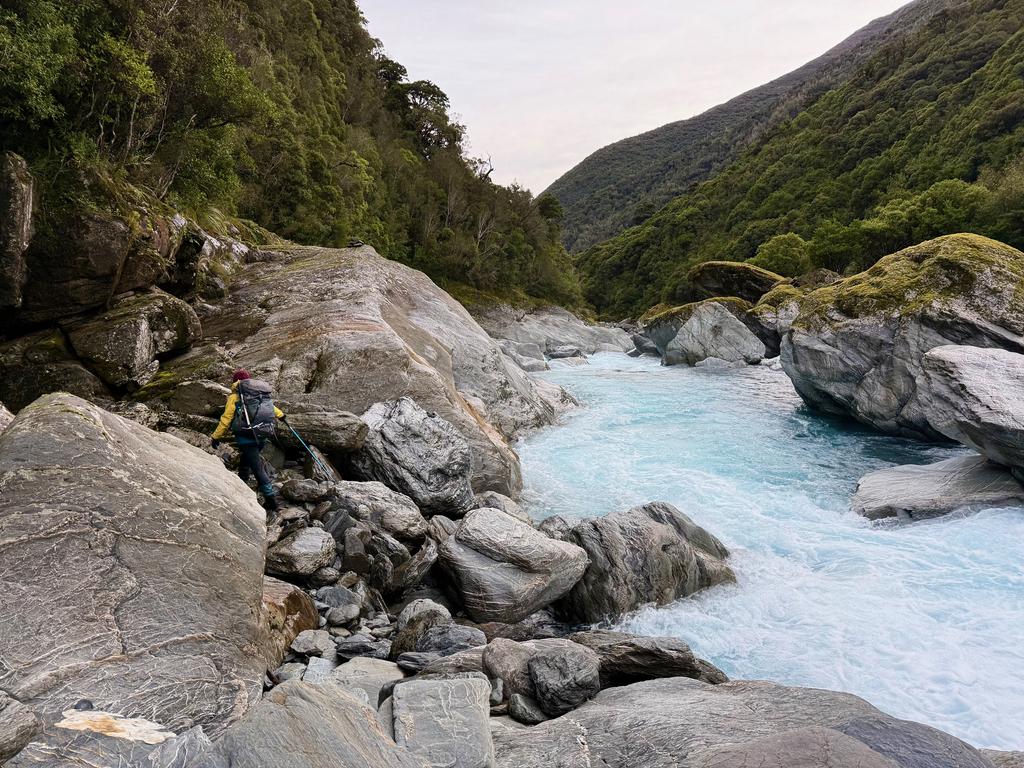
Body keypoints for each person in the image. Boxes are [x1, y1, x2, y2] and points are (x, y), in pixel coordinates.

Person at [211, 369, 286, 512]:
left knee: (257, 468)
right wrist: (282, 415)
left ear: (235, 381)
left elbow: (226, 419)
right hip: (262, 433)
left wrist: (216, 436)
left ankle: (273, 502)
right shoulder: (258, 394)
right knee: (248, 458)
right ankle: (242, 481)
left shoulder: (235, 396)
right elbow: (272, 408)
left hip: (246, 437)